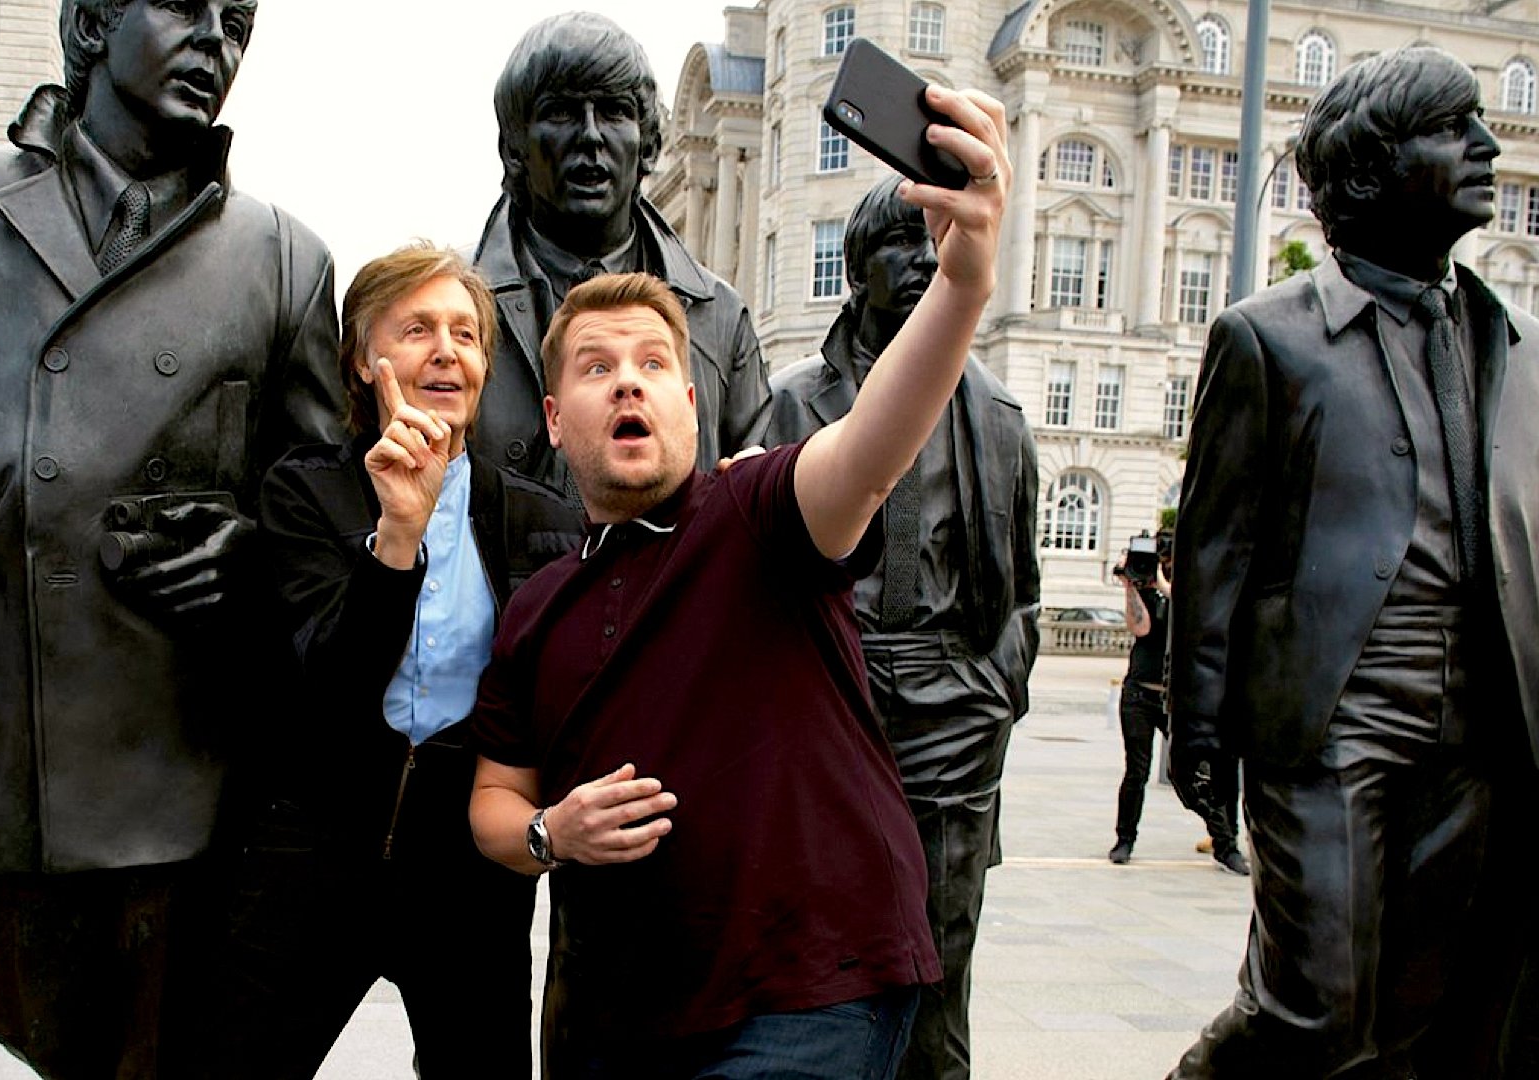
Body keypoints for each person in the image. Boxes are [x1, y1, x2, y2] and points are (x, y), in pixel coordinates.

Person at [0, 1, 343, 1075]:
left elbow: (317, 494)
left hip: (189, 740)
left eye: (237, 24)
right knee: (42, 1032)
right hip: (15, 729)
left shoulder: (282, 255)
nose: (215, 44)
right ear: (92, 22)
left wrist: (254, 551)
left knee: (156, 1047)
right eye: (186, 9)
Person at [467, 81, 1011, 1080]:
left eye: (650, 363)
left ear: (690, 397)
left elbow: (869, 448)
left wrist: (963, 285)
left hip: (812, 989)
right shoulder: (538, 611)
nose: (626, 380)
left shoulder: (761, 509)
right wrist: (552, 832)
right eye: (595, 367)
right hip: (628, 1011)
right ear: (552, 417)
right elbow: (497, 800)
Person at [1166, 45, 1539, 1078]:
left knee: (1422, 1017)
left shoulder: (1535, 354)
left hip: (1485, 736)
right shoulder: (1268, 340)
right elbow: (1217, 552)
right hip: (1330, 721)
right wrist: (1196, 728)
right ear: (1373, 167)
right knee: (1313, 1012)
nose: (1488, 147)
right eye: (1453, 127)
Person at [212, 243, 579, 1079]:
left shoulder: (540, 516)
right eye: (417, 329)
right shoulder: (303, 492)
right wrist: (399, 536)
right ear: (361, 357)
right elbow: (330, 684)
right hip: (312, 849)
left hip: (466, 875)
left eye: (465, 333)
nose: (446, 351)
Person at [766, 173, 1039, 1080]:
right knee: (811, 961)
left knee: (939, 969)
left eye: (939, 239)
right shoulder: (791, 402)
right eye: (904, 245)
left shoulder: (997, 413)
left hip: (952, 710)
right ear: (856, 269)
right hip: (826, 699)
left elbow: (1021, 586)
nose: (927, 260)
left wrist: (995, 690)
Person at [472, 12, 770, 498]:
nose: (591, 136)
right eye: (561, 113)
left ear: (648, 145)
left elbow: (757, 508)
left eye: (613, 112)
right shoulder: (456, 313)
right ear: (514, 148)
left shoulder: (719, 317)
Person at [1109, 535, 1243, 874]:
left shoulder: (1194, 589)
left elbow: (1196, 616)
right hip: (1140, 692)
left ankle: (1225, 843)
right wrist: (1131, 587)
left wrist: (1166, 585)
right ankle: (1125, 839)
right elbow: (1140, 629)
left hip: (1180, 698)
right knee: (1136, 770)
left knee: (1196, 771)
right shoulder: (1147, 589)